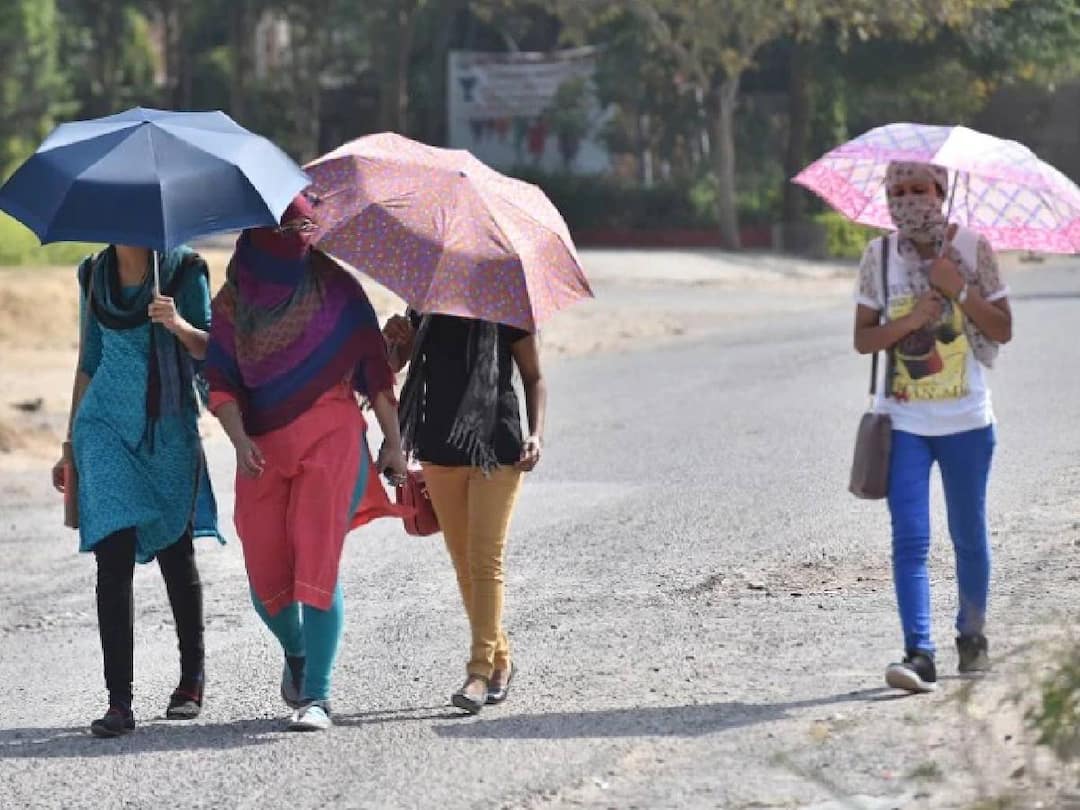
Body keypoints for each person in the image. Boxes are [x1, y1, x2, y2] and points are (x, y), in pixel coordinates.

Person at [205, 194, 408, 732]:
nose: (297, 235)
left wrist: (394, 443)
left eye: (305, 225)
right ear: (257, 231)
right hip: (261, 450)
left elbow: (375, 373)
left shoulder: (337, 290)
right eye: (286, 226)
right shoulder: (231, 303)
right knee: (265, 578)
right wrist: (239, 434)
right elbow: (220, 379)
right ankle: (298, 651)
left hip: (332, 440)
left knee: (317, 560)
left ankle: (316, 696)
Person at [853, 161, 1013, 693]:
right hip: (903, 423)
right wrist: (911, 320)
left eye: (918, 188)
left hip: (967, 419)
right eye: (896, 191)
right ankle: (919, 653)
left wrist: (958, 290)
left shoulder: (972, 249)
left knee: (968, 535)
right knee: (910, 539)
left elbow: (1003, 329)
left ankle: (972, 637)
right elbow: (864, 339)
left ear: (941, 191)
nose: (908, 200)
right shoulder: (878, 257)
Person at [51, 243, 221, 738]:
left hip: (167, 428)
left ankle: (192, 678)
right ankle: (118, 702)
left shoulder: (185, 270)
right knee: (112, 559)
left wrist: (177, 324)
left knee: (176, 550)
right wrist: (69, 446)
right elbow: (89, 360)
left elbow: (210, 347)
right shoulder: (94, 273)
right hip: (103, 428)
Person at [384, 309, 545, 714]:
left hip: (499, 448)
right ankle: (502, 661)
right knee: (463, 563)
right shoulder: (425, 304)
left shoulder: (507, 305)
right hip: (438, 448)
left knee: (484, 559)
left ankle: (478, 671)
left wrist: (537, 434)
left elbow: (534, 377)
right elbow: (395, 367)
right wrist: (396, 343)